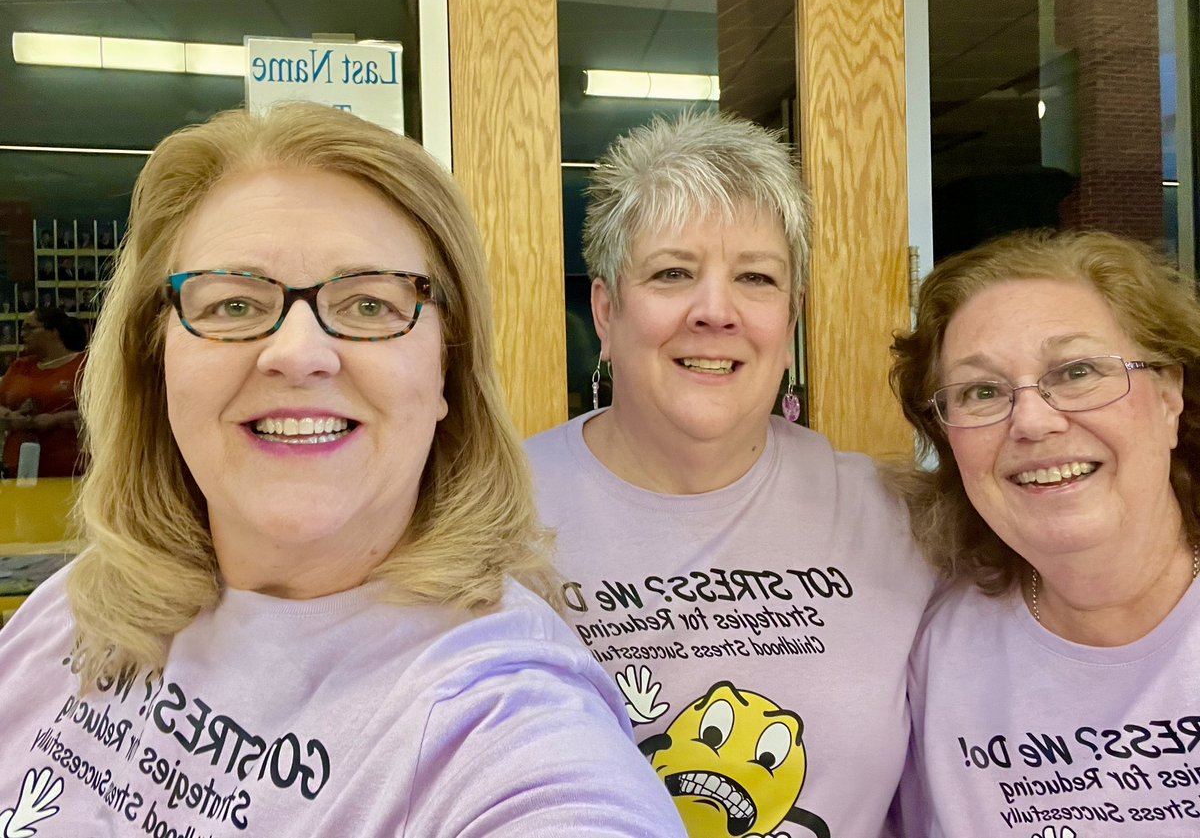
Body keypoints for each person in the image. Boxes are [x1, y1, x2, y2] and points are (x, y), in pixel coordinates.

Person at [0, 103, 686, 837]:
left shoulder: (502, 720)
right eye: (233, 301)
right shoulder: (82, 601)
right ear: (153, 359)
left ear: (447, 368)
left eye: (368, 302)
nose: (298, 352)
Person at [527, 111, 934, 838]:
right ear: (606, 308)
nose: (716, 310)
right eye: (673, 272)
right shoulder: (493, 515)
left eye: (755, 277)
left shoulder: (894, 517)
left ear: (791, 317)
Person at [890, 229, 1200, 838]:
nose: (1032, 420)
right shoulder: (937, 653)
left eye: (1077, 371)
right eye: (981, 392)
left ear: (1170, 395)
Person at [0, 306, 86, 478]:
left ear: (54, 331)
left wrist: (56, 419)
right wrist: (12, 417)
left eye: (29, 328)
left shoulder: (83, 366)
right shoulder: (19, 367)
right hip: (18, 470)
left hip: (69, 471)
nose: (22, 334)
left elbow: (102, 415)